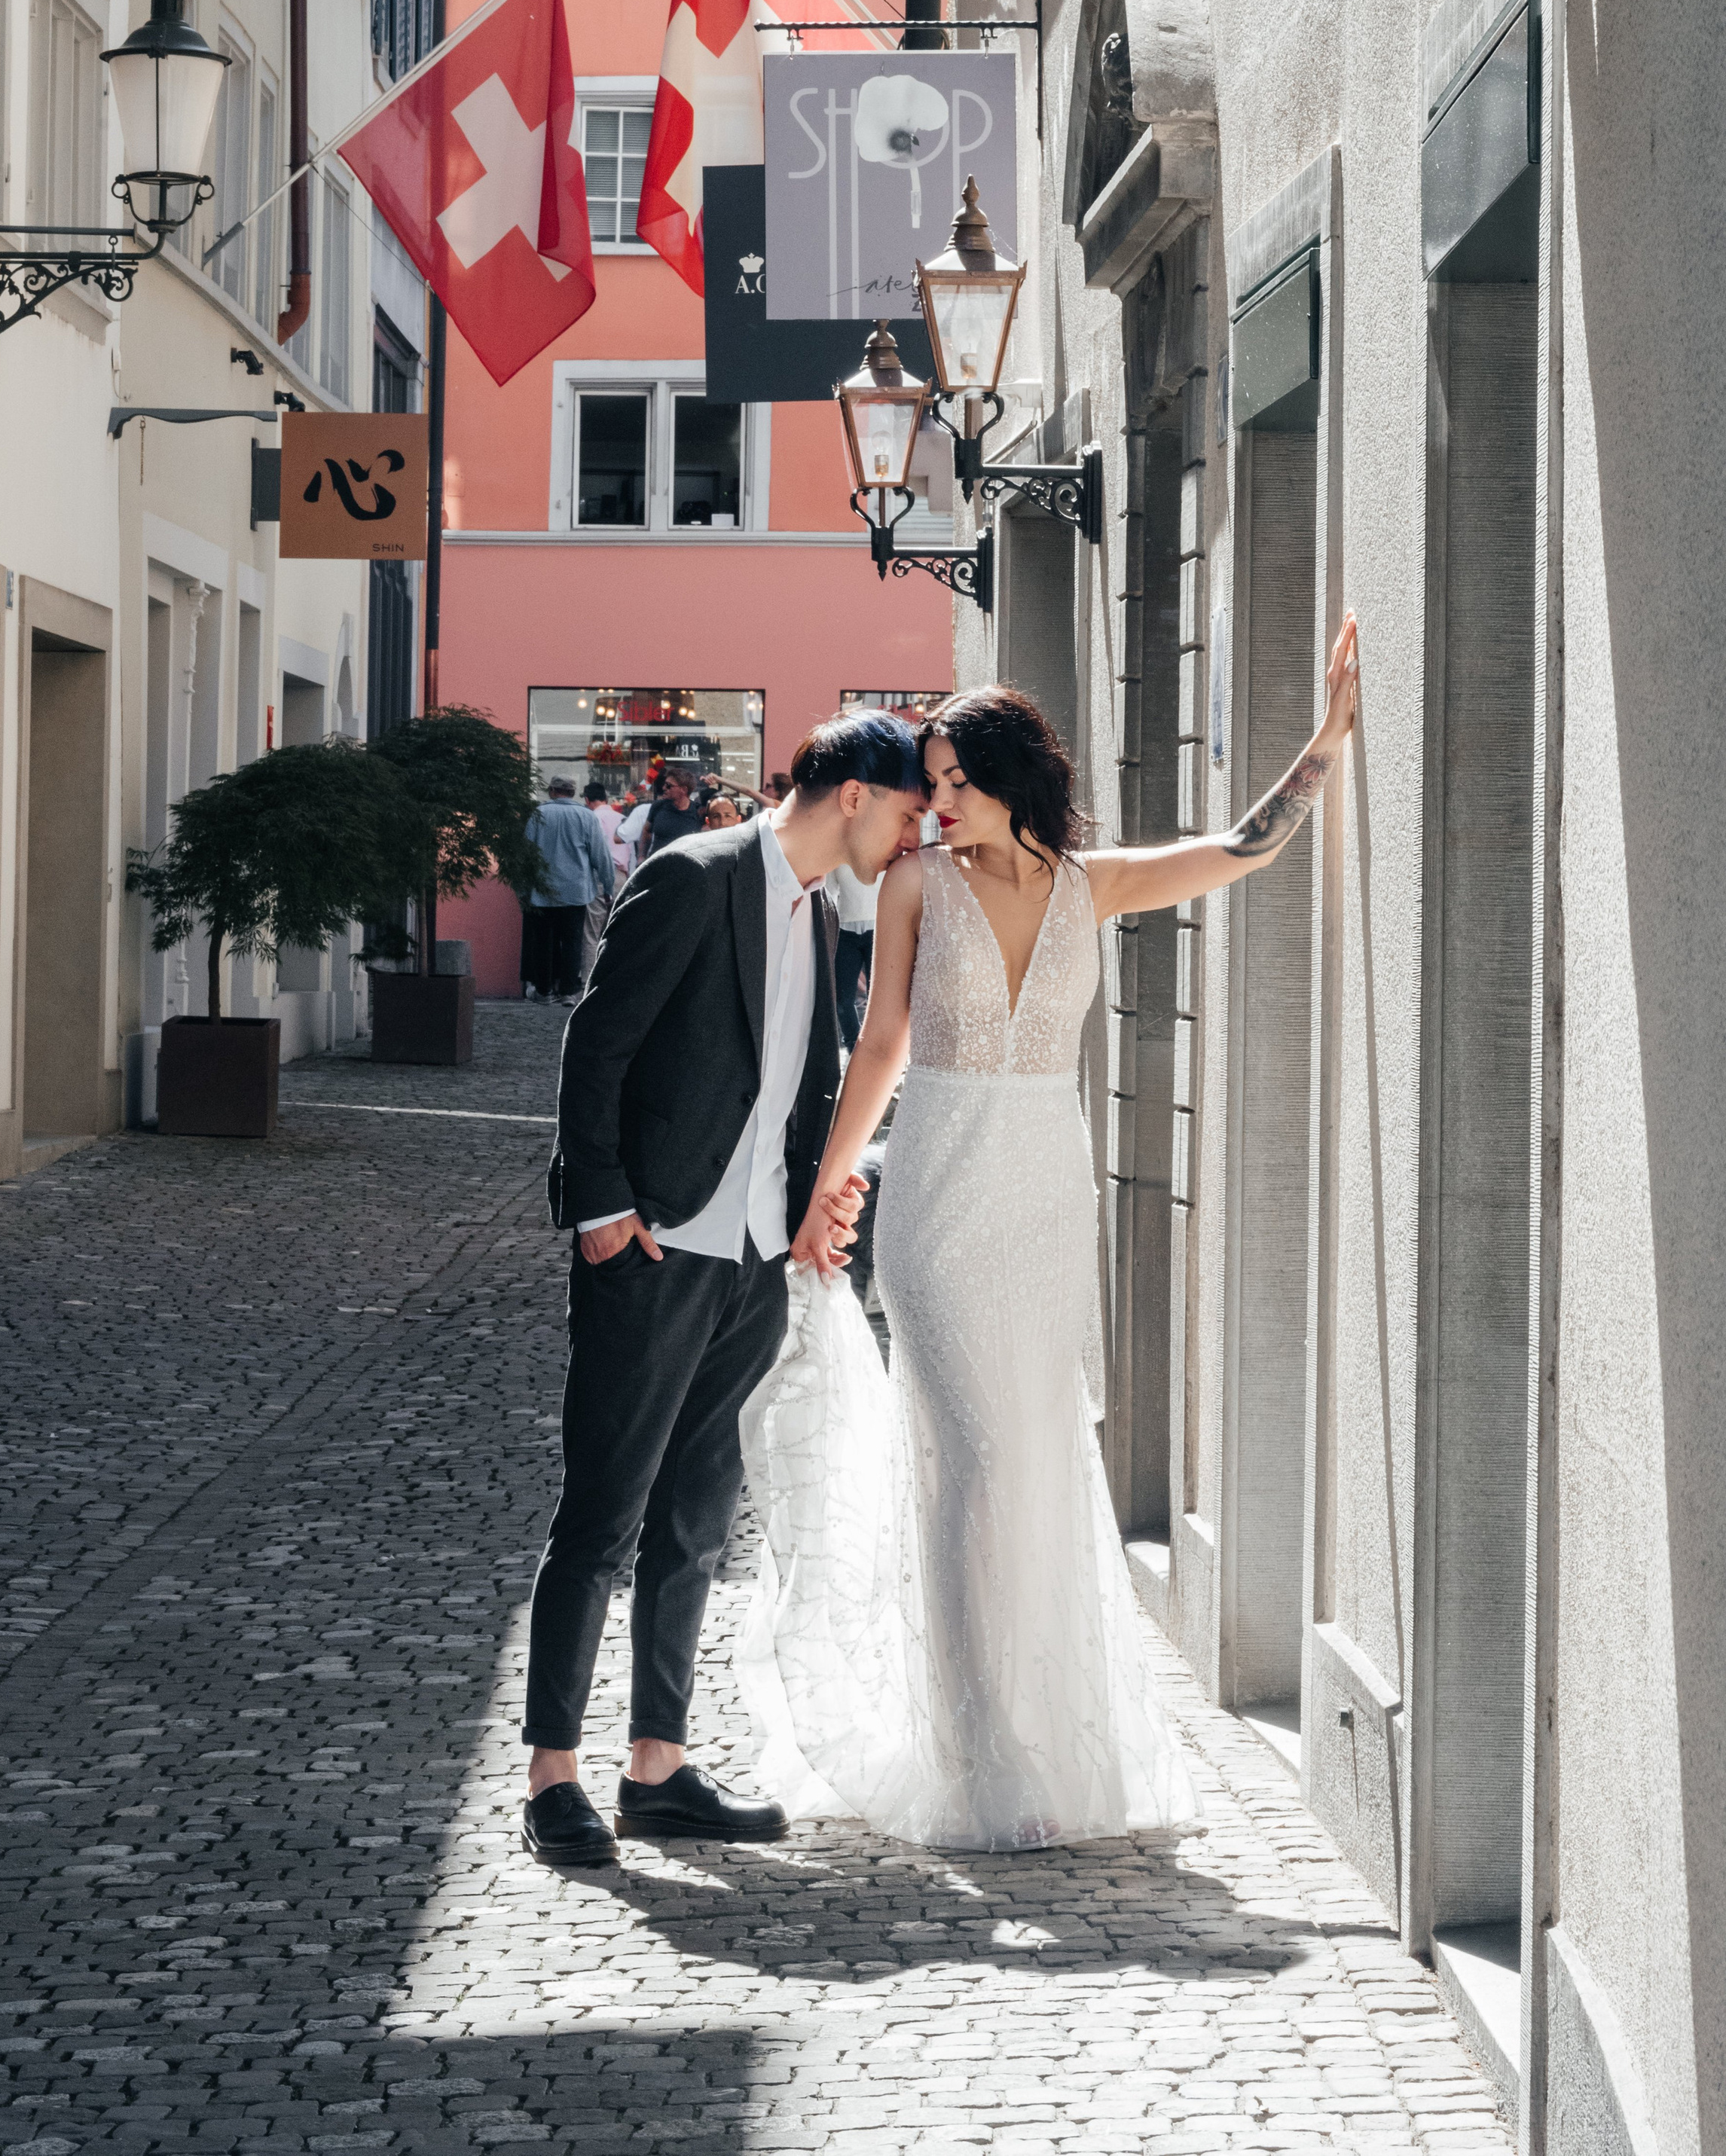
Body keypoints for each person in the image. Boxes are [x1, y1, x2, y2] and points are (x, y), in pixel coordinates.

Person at [740, 615, 1361, 1852]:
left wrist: (1329, 740)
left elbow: (1243, 847)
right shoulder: (917, 885)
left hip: (1042, 1202)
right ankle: (978, 1748)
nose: (936, 804)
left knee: (1028, 1464)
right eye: (931, 784)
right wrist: (825, 1188)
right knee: (971, 1462)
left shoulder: (1094, 885)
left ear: (1012, 780)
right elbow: (881, 1044)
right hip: (939, 1197)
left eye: (956, 783)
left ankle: (1029, 1720)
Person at [518, 712, 931, 1871]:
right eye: (910, 811)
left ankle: (657, 1766)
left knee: (696, 1520)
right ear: (854, 793)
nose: (914, 836)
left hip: (752, 1263)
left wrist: (811, 1204)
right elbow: (598, 1042)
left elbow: (800, 1082)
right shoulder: (695, 876)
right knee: (603, 1512)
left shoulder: (820, 913)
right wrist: (602, 1208)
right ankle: (553, 1774)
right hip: (653, 1247)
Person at [521, 777, 616, 1006]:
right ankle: (569, 992)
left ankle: (544, 990)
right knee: (573, 941)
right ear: (573, 793)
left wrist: (523, 889)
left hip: (542, 890)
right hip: (576, 890)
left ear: (552, 791)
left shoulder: (538, 814)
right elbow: (601, 856)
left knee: (543, 941)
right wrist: (608, 886)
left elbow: (525, 855)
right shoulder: (587, 816)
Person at [823, 858, 880, 1044]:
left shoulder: (883, 852)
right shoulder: (838, 857)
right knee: (842, 1001)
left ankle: (876, 1047)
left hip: (878, 931)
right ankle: (853, 1047)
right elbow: (830, 893)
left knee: (878, 998)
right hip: (845, 934)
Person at [580, 785, 630, 984]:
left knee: (592, 933)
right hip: (623, 877)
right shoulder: (623, 818)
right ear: (606, 798)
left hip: (599, 877)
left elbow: (593, 851)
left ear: (587, 800)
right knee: (617, 932)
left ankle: (589, 982)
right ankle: (615, 980)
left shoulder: (592, 818)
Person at [640, 766, 703, 858]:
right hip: (657, 863)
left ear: (684, 790)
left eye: (669, 786)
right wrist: (641, 856)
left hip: (684, 864)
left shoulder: (698, 812)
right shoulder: (658, 806)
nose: (664, 788)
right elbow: (646, 830)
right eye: (665, 784)